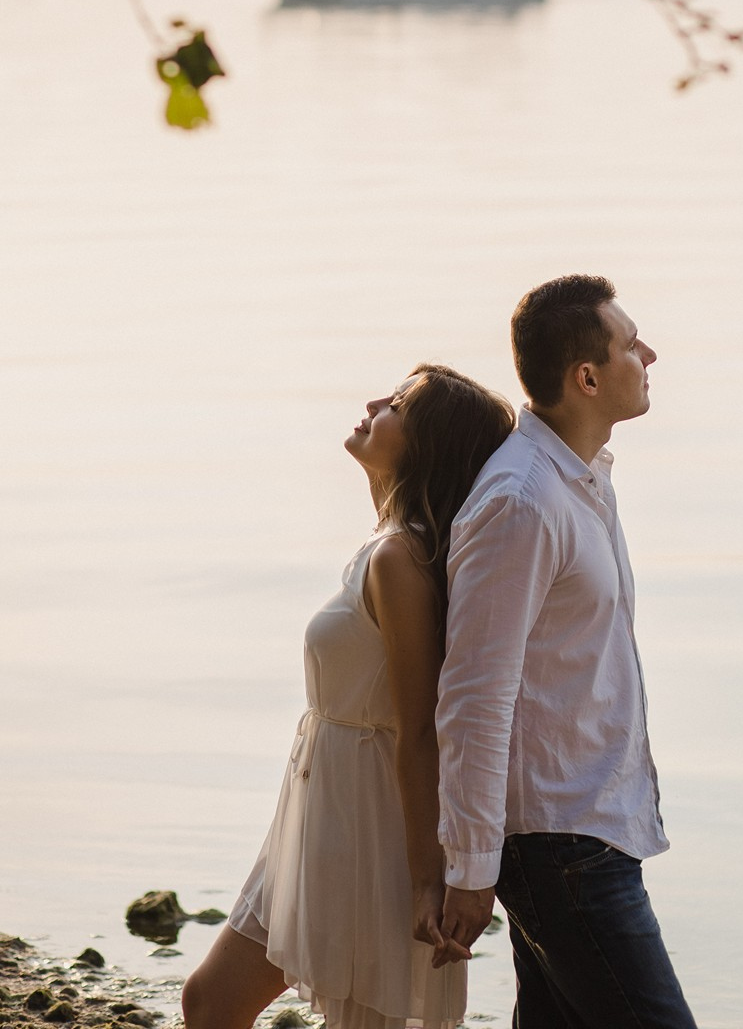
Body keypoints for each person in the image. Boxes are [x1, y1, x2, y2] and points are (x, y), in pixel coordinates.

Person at [183, 364, 515, 1029]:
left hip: (369, 829)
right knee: (210, 1001)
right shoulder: (384, 546)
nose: (371, 404)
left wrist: (428, 877)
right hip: (317, 814)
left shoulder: (401, 560)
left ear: (427, 446)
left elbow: (420, 729)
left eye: (396, 405)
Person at [433, 275, 696, 1027]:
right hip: (560, 847)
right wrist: (472, 865)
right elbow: (475, 694)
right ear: (587, 377)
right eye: (629, 343)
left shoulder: (577, 480)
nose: (649, 353)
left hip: (587, 831)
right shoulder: (522, 501)